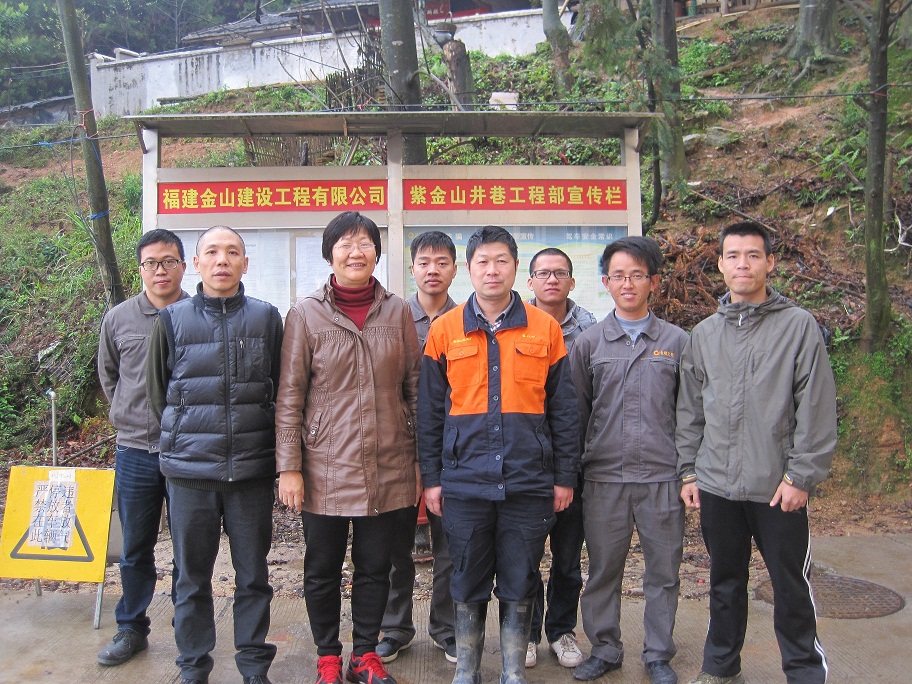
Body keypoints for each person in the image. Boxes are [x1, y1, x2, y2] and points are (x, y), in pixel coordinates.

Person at [676, 221, 837, 684]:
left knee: (790, 585)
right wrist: (689, 472)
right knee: (725, 582)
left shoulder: (798, 326)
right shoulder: (705, 334)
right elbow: (690, 410)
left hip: (777, 486)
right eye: (733, 255)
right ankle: (721, 668)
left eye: (752, 255)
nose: (742, 264)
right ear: (720, 265)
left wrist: (800, 476)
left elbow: (816, 405)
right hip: (717, 483)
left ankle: (804, 672)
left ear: (770, 262)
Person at [418, 225, 580, 684]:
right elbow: (430, 414)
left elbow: (564, 411)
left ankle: (512, 672)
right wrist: (432, 479)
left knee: (520, 576)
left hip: (528, 480)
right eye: (483, 262)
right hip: (464, 481)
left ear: (515, 267)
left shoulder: (545, 328)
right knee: (466, 576)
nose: (492, 270)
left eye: (501, 261)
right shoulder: (444, 330)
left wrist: (564, 476)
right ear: (469, 270)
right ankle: (467, 670)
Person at [275, 211, 421, 684]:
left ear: (377, 253)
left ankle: (365, 655)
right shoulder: (305, 314)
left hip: (388, 461)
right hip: (325, 465)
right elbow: (290, 395)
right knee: (321, 568)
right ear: (329, 254)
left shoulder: (397, 312)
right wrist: (289, 467)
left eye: (364, 244)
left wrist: (421, 461)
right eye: (345, 244)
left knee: (376, 567)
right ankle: (327, 657)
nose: (355, 252)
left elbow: (414, 388)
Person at [147, 225, 283, 684]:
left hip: (251, 470)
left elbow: (278, 387)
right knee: (191, 577)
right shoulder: (171, 320)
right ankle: (193, 666)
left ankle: (253, 666)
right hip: (189, 473)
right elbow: (159, 394)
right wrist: (188, 436)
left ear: (245, 262)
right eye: (212, 252)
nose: (222, 260)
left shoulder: (266, 318)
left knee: (253, 576)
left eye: (232, 252)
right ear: (197, 263)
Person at [569, 237, 688, 684]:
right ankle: (605, 647)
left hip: (663, 477)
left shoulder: (677, 342)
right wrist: (575, 472)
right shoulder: (589, 344)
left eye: (638, 275)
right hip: (605, 478)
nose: (628, 283)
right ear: (605, 282)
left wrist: (688, 472)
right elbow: (577, 413)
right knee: (603, 570)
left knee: (664, 572)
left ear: (653, 282)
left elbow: (689, 413)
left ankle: (658, 654)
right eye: (618, 275)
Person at [96, 228, 189, 666]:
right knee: (136, 546)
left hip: (188, 450)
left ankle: (188, 627)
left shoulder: (197, 314)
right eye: (151, 263)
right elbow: (109, 375)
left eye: (168, 261)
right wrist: (127, 412)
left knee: (189, 546)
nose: (160, 270)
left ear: (183, 266)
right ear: (140, 270)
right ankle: (131, 627)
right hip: (135, 450)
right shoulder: (118, 319)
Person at [376, 231, 459, 665]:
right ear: (412, 269)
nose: (433, 270)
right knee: (395, 544)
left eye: (442, 262)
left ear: (455, 270)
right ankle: (394, 628)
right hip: (398, 446)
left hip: (453, 449)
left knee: (451, 546)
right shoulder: (393, 317)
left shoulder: (466, 319)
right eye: (424, 262)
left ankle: (447, 629)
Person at [524, 248, 595, 670]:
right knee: (525, 556)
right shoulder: (516, 324)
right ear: (529, 281)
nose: (551, 280)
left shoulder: (591, 330)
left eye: (560, 273)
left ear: (572, 281)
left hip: (574, 459)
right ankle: (528, 632)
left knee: (568, 558)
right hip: (528, 461)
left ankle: (562, 630)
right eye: (543, 273)